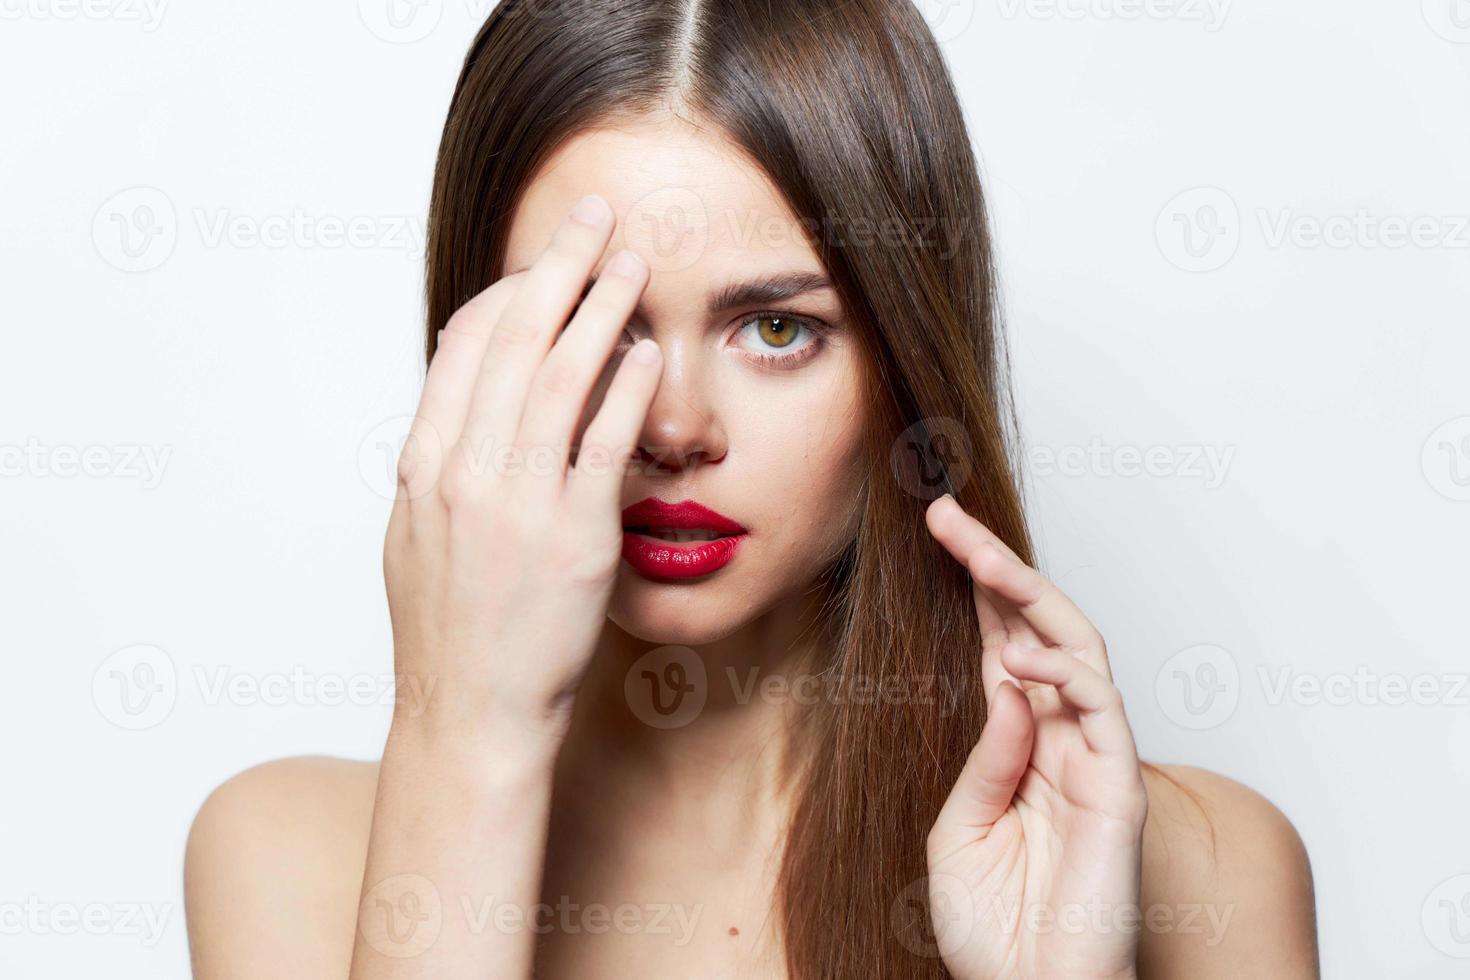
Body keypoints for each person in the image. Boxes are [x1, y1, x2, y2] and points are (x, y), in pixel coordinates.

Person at [184, 1, 1319, 976]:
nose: (676, 427)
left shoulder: (1201, 864)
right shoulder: (291, 854)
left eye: (776, 328)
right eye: (586, 324)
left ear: (902, 361)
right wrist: (470, 730)